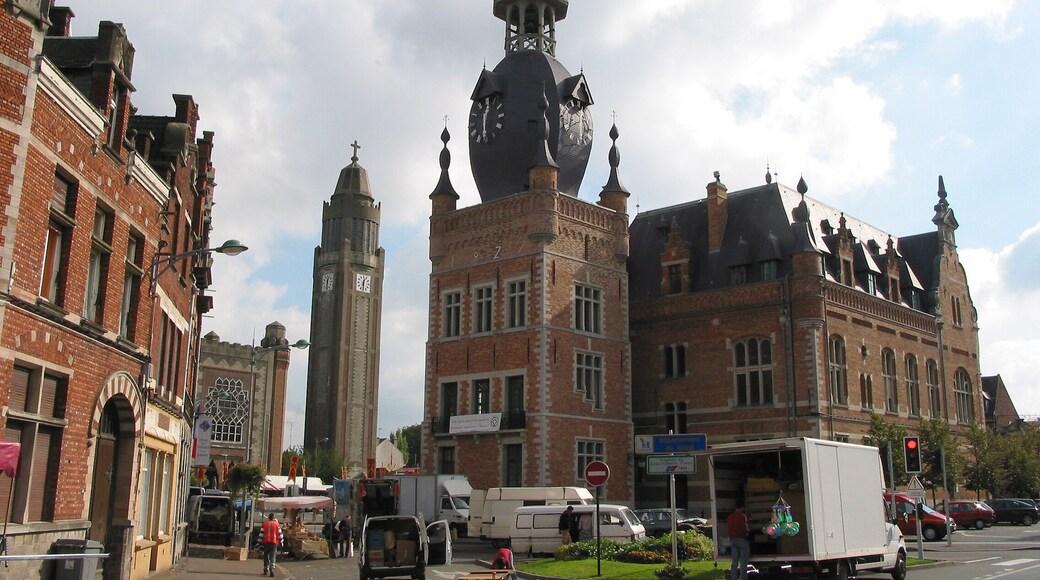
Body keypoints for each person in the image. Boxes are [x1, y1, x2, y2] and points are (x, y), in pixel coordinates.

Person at [727, 503, 751, 580]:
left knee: (734, 563)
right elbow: (744, 528)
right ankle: (743, 578)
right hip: (741, 539)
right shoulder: (742, 516)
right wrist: (748, 531)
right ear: (742, 507)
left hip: (733, 540)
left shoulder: (730, 516)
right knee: (743, 563)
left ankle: (733, 578)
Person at [261, 513, 283, 577]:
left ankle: (265, 569)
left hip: (266, 542)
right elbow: (280, 534)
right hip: (274, 542)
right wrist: (281, 542)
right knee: (272, 555)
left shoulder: (264, 524)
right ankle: (272, 568)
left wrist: (259, 542)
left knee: (266, 555)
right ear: (274, 518)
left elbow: (261, 534)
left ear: (268, 518)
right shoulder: (277, 524)